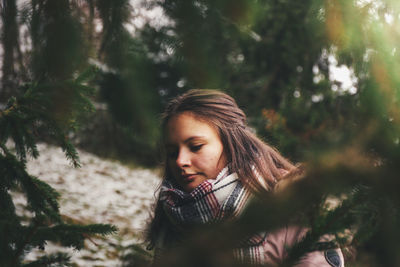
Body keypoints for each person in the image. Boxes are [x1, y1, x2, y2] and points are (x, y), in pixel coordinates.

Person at [146, 89, 344, 266]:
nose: (180, 161)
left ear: (231, 143)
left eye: (195, 146)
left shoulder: (291, 205)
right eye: (172, 152)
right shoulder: (171, 215)